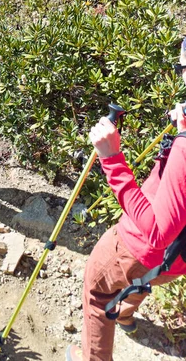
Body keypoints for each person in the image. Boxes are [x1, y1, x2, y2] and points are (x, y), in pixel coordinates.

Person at [66, 40, 186, 361]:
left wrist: (112, 159)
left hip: (142, 247)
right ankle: (124, 314)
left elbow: (157, 232)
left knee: (96, 289)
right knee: (142, 279)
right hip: (177, 261)